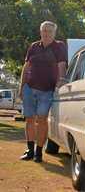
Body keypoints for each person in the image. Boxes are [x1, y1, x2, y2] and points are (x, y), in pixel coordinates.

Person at [19, 21, 67, 163]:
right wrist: (21, 87)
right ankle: (30, 150)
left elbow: (62, 66)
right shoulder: (34, 46)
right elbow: (26, 67)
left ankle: (39, 153)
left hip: (47, 90)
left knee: (42, 120)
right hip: (29, 88)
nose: (46, 33)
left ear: (54, 33)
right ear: (40, 32)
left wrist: (60, 84)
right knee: (29, 119)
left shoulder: (59, 46)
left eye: (50, 31)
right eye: (44, 30)